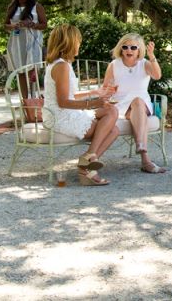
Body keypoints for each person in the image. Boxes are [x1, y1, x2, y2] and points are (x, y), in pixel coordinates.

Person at [44, 24, 120, 186]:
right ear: (69, 43)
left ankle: (88, 160)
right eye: (78, 41)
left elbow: (68, 95)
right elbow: (63, 101)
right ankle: (87, 164)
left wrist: (95, 93)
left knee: (113, 123)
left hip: (61, 112)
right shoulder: (62, 66)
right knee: (112, 120)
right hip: (60, 116)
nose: (80, 44)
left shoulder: (61, 64)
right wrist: (94, 103)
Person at [102, 33, 166, 174]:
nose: (128, 50)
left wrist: (152, 56)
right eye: (125, 47)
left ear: (139, 49)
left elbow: (157, 75)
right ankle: (144, 157)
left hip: (142, 104)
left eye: (133, 47)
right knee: (137, 109)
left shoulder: (144, 64)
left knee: (138, 102)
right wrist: (108, 96)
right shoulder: (114, 65)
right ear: (121, 49)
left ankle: (143, 150)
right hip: (122, 106)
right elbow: (106, 89)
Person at [4, 0, 47, 99]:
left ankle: (34, 96)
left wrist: (32, 24)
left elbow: (44, 24)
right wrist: (13, 26)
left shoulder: (36, 6)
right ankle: (25, 100)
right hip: (17, 42)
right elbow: (5, 25)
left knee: (32, 70)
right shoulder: (12, 7)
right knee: (20, 71)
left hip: (32, 41)